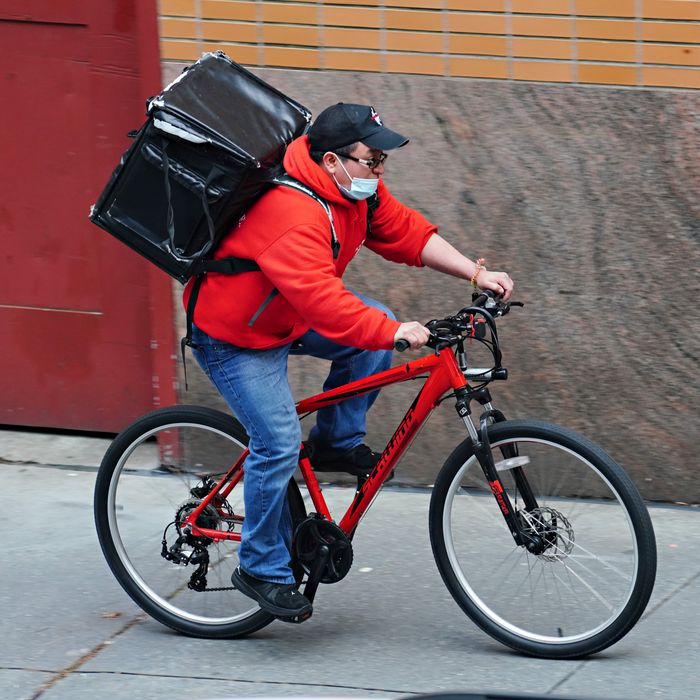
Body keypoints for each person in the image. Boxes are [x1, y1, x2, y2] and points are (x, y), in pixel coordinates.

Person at [186, 103, 514, 620]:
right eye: (372, 160)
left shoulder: (354, 190)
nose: (380, 171)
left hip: (283, 316)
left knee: (374, 332)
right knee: (277, 441)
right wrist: (394, 331)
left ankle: (336, 444)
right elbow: (322, 301)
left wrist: (474, 274)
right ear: (333, 160)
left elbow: (406, 231)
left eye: (384, 159)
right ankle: (260, 566)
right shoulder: (289, 212)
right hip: (236, 337)